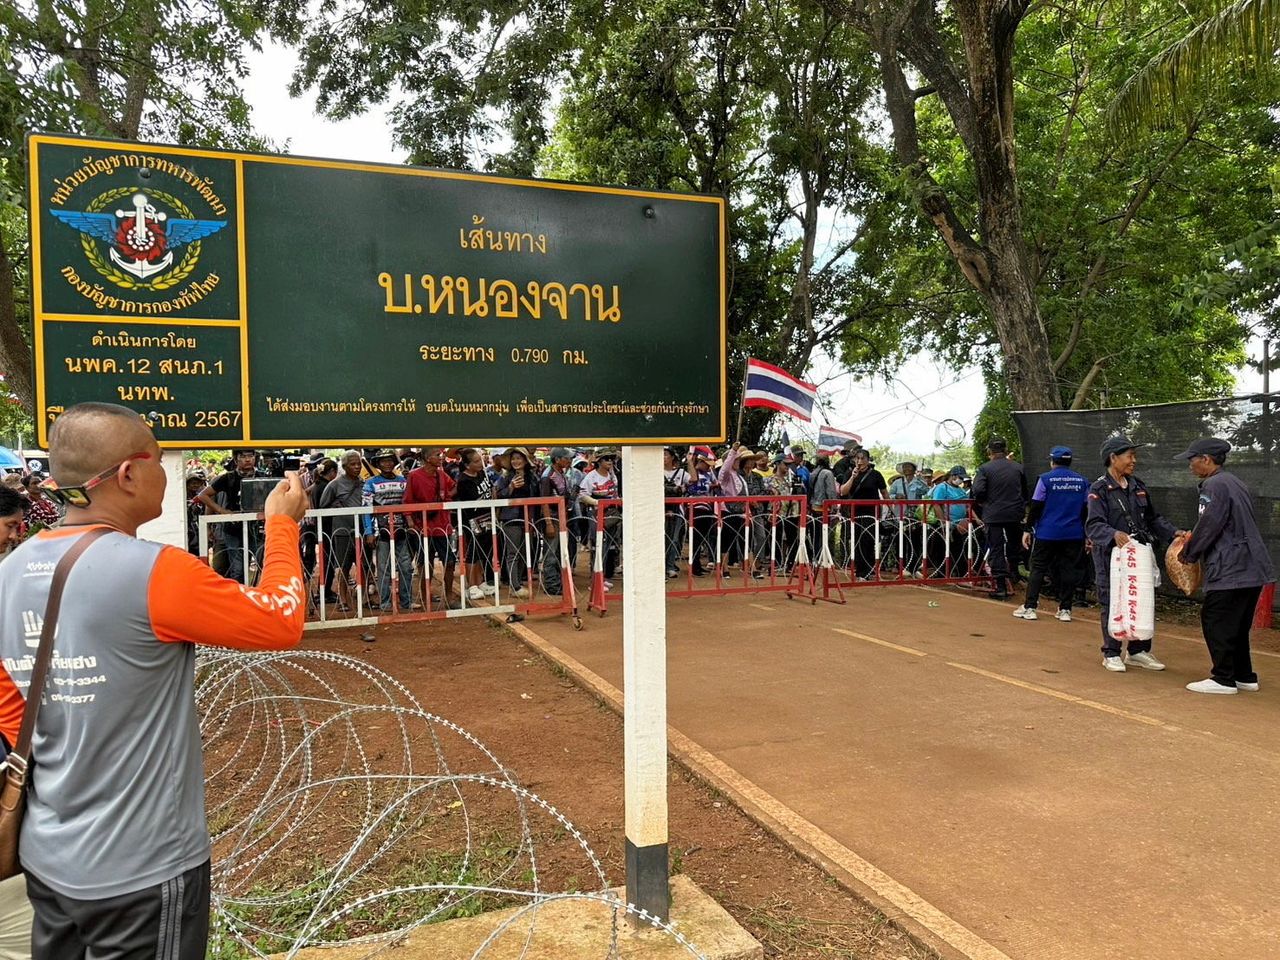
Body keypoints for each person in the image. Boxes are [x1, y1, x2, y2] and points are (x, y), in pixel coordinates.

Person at [0, 401, 307, 959]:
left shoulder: (10, 571)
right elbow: (279, 619)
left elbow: (11, 701)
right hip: (141, 866)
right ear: (127, 474)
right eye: (159, 460)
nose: (166, 474)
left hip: (47, 854)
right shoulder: (154, 570)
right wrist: (282, 525)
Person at [1175, 438, 1275, 694]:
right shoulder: (1234, 482)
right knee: (1237, 623)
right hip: (1252, 566)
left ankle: (1223, 678)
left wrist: (1189, 553)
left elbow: (1210, 523)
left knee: (1215, 618)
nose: (1190, 465)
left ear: (1206, 459)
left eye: (1192, 460)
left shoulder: (1214, 484)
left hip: (1231, 565)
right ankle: (1244, 675)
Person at [1086, 435, 1186, 673]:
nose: (1134, 460)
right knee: (1112, 601)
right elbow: (1093, 525)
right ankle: (1111, 652)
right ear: (1113, 458)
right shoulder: (1099, 489)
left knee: (1142, 598)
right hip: (1111, 557)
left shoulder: (1138, 486)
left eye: (1134, 456)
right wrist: (1113, 533)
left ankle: (1138, 651)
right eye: (1129, 456)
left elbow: (1153, 519)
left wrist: (1174, 533)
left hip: (1138, 555)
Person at [1013, 446, 1088, 622]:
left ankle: (1030, 607)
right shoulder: (1082, 481)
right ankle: (1065, 609)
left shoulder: (1045, 479)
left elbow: (1036, 506)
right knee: (1068, 569)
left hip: (1047, 532)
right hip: (1074, 533)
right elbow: (1086, 509)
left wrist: (1027, 529)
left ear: (1053, 461)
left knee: (1038, 568)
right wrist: (1086, 533)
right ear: (1070, 462)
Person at [362, 449, 418, 611]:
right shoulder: (370, 483)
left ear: (394, 462)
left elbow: (409, 502)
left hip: (402, 529)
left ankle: (406, 601)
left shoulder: (403, 480)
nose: (387, 463)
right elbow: (366, 509)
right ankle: (385, 602)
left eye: (390, 460)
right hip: (381, 530)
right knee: (384, 568)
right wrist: (369, 532)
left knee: (406, 567)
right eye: (383, 461)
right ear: (378, 464)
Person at [404, 448, 460, 609]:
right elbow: (407, 500)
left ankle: (448, 596)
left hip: (442, 525)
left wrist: (445, 498)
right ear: (428, 458)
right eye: (437, 455)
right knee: (424, 563)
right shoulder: (414, 476)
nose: (441, 457)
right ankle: (425, 596)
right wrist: (410, 520)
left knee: (450, 561)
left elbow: (454, 487)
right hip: (423, 526)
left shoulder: (442, 475)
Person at [971, 438, 1027, 599]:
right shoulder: (1018, 467)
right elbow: (1025, 491)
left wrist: (984, 502)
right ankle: (1014, 575)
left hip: (993, 514)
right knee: (1014, 545)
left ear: (989, 451)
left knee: (996, 548)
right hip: (1015, 513)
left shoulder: (985, 468)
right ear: (1005, 449)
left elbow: (978, 490)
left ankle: (1001, 587)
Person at [196, 449, 260, 583]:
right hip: (232, 528)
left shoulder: (262, 476)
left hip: (257, 528)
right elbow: (203, 495)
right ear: (236, 459)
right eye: (243, 456)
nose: (248, 459)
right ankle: (238, 594)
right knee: (237, 569)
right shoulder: (228, 478)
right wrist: (222, 510)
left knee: (261, 564)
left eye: (251, 456)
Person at [318, 451, 364, 611]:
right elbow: (322, 506)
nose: (357, 467)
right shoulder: (334, 485)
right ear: (344, 466)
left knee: (364, 564)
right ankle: (343, 599)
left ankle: (365, 597)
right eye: (353, 464)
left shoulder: (363, 483)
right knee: (343, 566)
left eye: (359, 463)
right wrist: (336, 508)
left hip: (361, 530)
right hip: (342, 531)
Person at [495, 447, 541, 597]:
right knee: (513, 552)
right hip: (510, 518)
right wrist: (511, 487)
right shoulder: (506, 477)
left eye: (518, 458)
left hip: (528, 518)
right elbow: (498, 496)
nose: (515, 461)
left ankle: (518, 581)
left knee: (524, 551)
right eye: (513, 458)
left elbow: (537, 498)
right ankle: (514, 586)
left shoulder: (533, 477)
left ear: (525, 460)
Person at [454, 448, 495, 602]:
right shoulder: (463, 480)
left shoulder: (482, 473)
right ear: (467, 465)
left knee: (483, 550)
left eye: (480, 460)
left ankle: (480, 582)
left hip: (487, 516)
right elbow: (470, 502)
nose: (480, 464)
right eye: (476, 461)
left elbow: (490, 489)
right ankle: (471, 585)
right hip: (472, 519)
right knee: (473, 551)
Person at [837, 449, 886, 579]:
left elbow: (884, 492)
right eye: (857, 459)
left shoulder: (876, 475)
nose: (860, 461)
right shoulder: (849, 473)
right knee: (858, 541)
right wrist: (853, 477)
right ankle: (861, 571)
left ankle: (869, 568)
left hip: (872, 512)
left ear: (868, 460)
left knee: (869, 540)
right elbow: (843, 491)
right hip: (856, 512)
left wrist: (891, 507)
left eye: (863, 458)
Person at [579, 450, 621, 590]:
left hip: (611, 514)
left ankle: (602, 577)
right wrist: (597, 503)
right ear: (599, 461)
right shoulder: (591, 477)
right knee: (597, 547)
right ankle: (595, 581)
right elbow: (582, 495)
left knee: (608, 546)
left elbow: (615, 493)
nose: (610, 461)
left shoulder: (612, 475)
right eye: (606, 458)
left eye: (611, 458)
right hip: (596, 514)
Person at [929, 466, 973, 577]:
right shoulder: (942, 487)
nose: (961, 481)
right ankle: (941, 573)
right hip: (946, 524)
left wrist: (974, 518)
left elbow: (967, 506)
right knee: (942, 549)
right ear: (952, 476)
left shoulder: (960, 490)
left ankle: (959, 572)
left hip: (959, 524)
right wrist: (943, 523)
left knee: (958, 549)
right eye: (960, 478)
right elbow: (937, 505)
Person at [888, 462, 929, 575]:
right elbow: (889, 495)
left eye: (908, 467)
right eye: (904, 467)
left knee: (915, 540)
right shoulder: (897, 483)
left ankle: (913, 567)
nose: (906, 469)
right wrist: (896, 496)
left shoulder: (919, 482)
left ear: (914, 469)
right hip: (900, 515)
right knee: (900, 540)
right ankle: (901, 566)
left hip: (915, 515)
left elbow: (926, 491)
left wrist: (920, 479)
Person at [662, 449, 690, 579]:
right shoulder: (655, 472)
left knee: (673, 539)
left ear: (672, 457)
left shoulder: (681, 472)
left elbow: (693, 479)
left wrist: (690, 462)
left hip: (677, 509)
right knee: (661, 538)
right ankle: (660, 566)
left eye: (665, 454)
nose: (663, 457)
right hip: (659, 509)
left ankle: (670, 566)